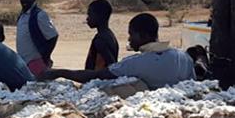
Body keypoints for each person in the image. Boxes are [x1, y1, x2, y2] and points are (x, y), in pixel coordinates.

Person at [40, 13, 195, 90]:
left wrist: (59, 73)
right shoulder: (184, 57)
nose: (129, 39)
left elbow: (96, 75)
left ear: (145, 35)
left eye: (131, 34)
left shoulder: (135, 63)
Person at [16, 0, 59, 76]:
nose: (24, 0)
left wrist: (45, 56)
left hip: (36, 61)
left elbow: (53, 36)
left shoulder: (39, 15)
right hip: (24, 62)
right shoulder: (22, 16)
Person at [84, 0, 119, 70]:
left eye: (89, 15)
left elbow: (112, 65)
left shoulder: (100, 40)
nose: (87, 18)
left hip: (99, 79)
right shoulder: (109, 35)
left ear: (99, 16)